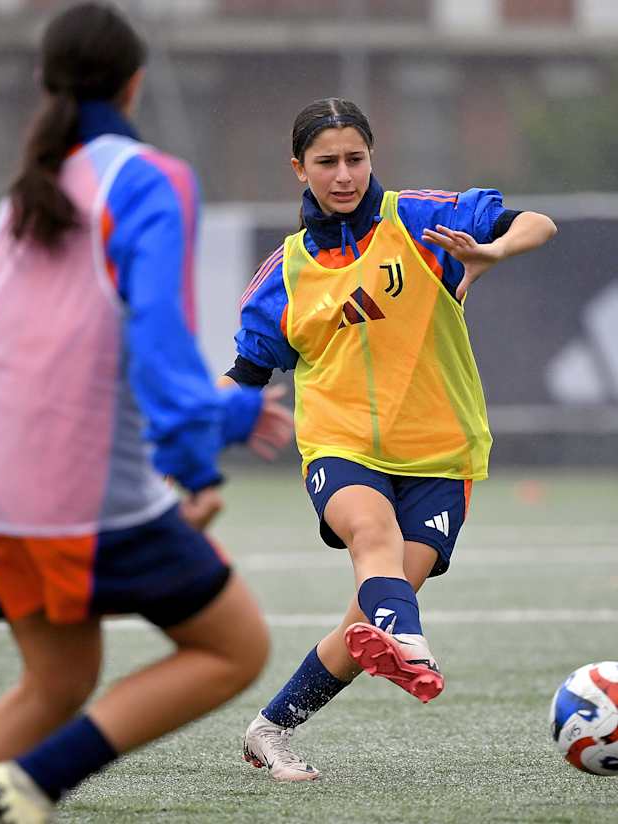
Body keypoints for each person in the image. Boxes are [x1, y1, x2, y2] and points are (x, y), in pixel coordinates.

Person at [0, 4, 294, 823]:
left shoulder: (25, 193)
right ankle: (28, 789)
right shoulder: (150, 177)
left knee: (55, 683)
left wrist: (207, 429)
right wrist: (201, 450)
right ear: (135, 81)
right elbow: (155, 339)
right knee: (236, 648)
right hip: (72, 488)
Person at [224, 98, 557, 782]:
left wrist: (493, 249)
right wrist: (184, 429)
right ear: (300, 170)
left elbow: (537, 222)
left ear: (371, 158)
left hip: (443, 451)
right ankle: (411, 646)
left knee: (366, 617)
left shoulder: (419, 219)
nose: (344, 175)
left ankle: (270, 731)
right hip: (340, 445)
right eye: (327, 163)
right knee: (372, 545)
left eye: (355, 159)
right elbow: (244, 375)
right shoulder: (285, 272)